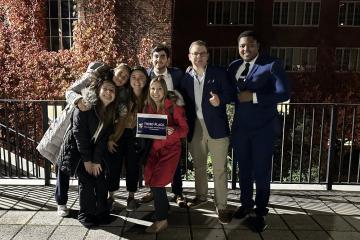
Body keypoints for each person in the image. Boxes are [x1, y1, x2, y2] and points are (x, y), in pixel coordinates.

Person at [228, 30, 290, 232]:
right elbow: (227, 90)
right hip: (240, 130)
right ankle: (246, 206)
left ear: (258, 46)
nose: (246, 49)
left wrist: (254, 97)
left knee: (261, 172)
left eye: (250, 45)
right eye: (242, 46)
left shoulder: (271, 65)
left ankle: (261, 211)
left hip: (263, 129)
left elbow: (284, 93)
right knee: (243, 170)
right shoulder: (234, 66)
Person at [55, 62, 130, 217]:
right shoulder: (95, 78)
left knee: (96, 170)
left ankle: (101, 201)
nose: (122, 77)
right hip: (79, 128)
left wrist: (111, 138)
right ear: (114, 70)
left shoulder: (121, 93)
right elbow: (69, 91)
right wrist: (78, 101)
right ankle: (61, 203)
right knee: (65, 165)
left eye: (125, 77)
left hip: (98, 137)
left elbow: (118, 117)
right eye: (120, 73)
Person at [180, 40, 233, 224]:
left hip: (216, 128)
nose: (199, 57)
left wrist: (221, 99)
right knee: (199, 165)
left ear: (207, 56)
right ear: (189, 56)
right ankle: (201, 196)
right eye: (195, 53)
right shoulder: (185, 77)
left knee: (219, 169)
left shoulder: (219, 73)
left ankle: (222, 206)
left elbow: (231, 94)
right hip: (195, 128)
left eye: (202, 53)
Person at [57, 77, 118, 228]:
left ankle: (102, 214)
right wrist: (87, 161)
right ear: (98, 90)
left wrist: (96, 161)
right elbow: (80, 135)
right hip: (77, 152)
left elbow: (103, 139)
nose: (108, 93)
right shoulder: (85, 106)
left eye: (112, 90)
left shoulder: (109, 111)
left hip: (93, 152)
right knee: (87, 181)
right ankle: (86, 215)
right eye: (105, 89)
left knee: (100, 179)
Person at [142, 44, 186, 207]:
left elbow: (184, 93)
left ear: (167, 59)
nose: (158, 59)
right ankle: (153, 190)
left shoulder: (177, 74)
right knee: (151, 159)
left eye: (162, 56)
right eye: (155, 56)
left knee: (174, 161)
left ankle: (177, 192)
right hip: (151, 123)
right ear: (151, 58)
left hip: (172, 123)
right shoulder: (145, 75)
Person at [143, 77, 188, 233]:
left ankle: (162, 220)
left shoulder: (173, 107)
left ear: (165, 89)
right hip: (153, 151)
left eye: (159, 88)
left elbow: (185, 130)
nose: (156, 92)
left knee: (157, 182)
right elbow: (145, 128)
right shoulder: (147, 106)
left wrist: (173, 131)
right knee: (150, 179)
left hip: (170, 150)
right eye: (152, 89)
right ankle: (165, 208)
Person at [107, 66, 149, 211]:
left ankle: (131, 197)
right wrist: (110, 138)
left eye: (141, 78)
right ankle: (111, 196)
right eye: (134, 77)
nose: (137, 80)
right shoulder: (122, 93)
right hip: (119, 134)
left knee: (133, 167)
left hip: (137, 136)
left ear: (146, 80)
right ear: (129, 80)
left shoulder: (149, 95)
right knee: (114, 166)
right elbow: (111, 116)